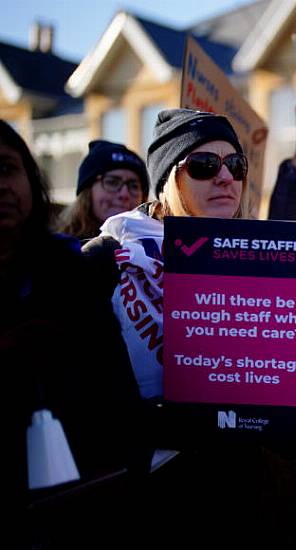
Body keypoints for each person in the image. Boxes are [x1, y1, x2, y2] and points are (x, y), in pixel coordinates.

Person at [83, 109, 296, 547]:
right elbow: (94, 413)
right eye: (203, 166)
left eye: (235, 165)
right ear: (165, 181)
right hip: (152, 509)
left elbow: (263, 393)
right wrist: (240, 422)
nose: (225, 178)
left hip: (249, 504)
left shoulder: (256, 263)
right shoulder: (105, 259)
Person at [1, 120, 143, 547]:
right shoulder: (83, 259)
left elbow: (119, 397)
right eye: (112, 181)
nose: (123, 194)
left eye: (6, 169)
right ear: (86, 189)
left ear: (30, 177)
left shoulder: (72, 273)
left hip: (79, 498)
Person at [59, 140, 148, 239]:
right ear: (87, 191)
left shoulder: (159, 248)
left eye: (134, 186)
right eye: (112, 182)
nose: (124, 194)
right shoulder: (60, 250)